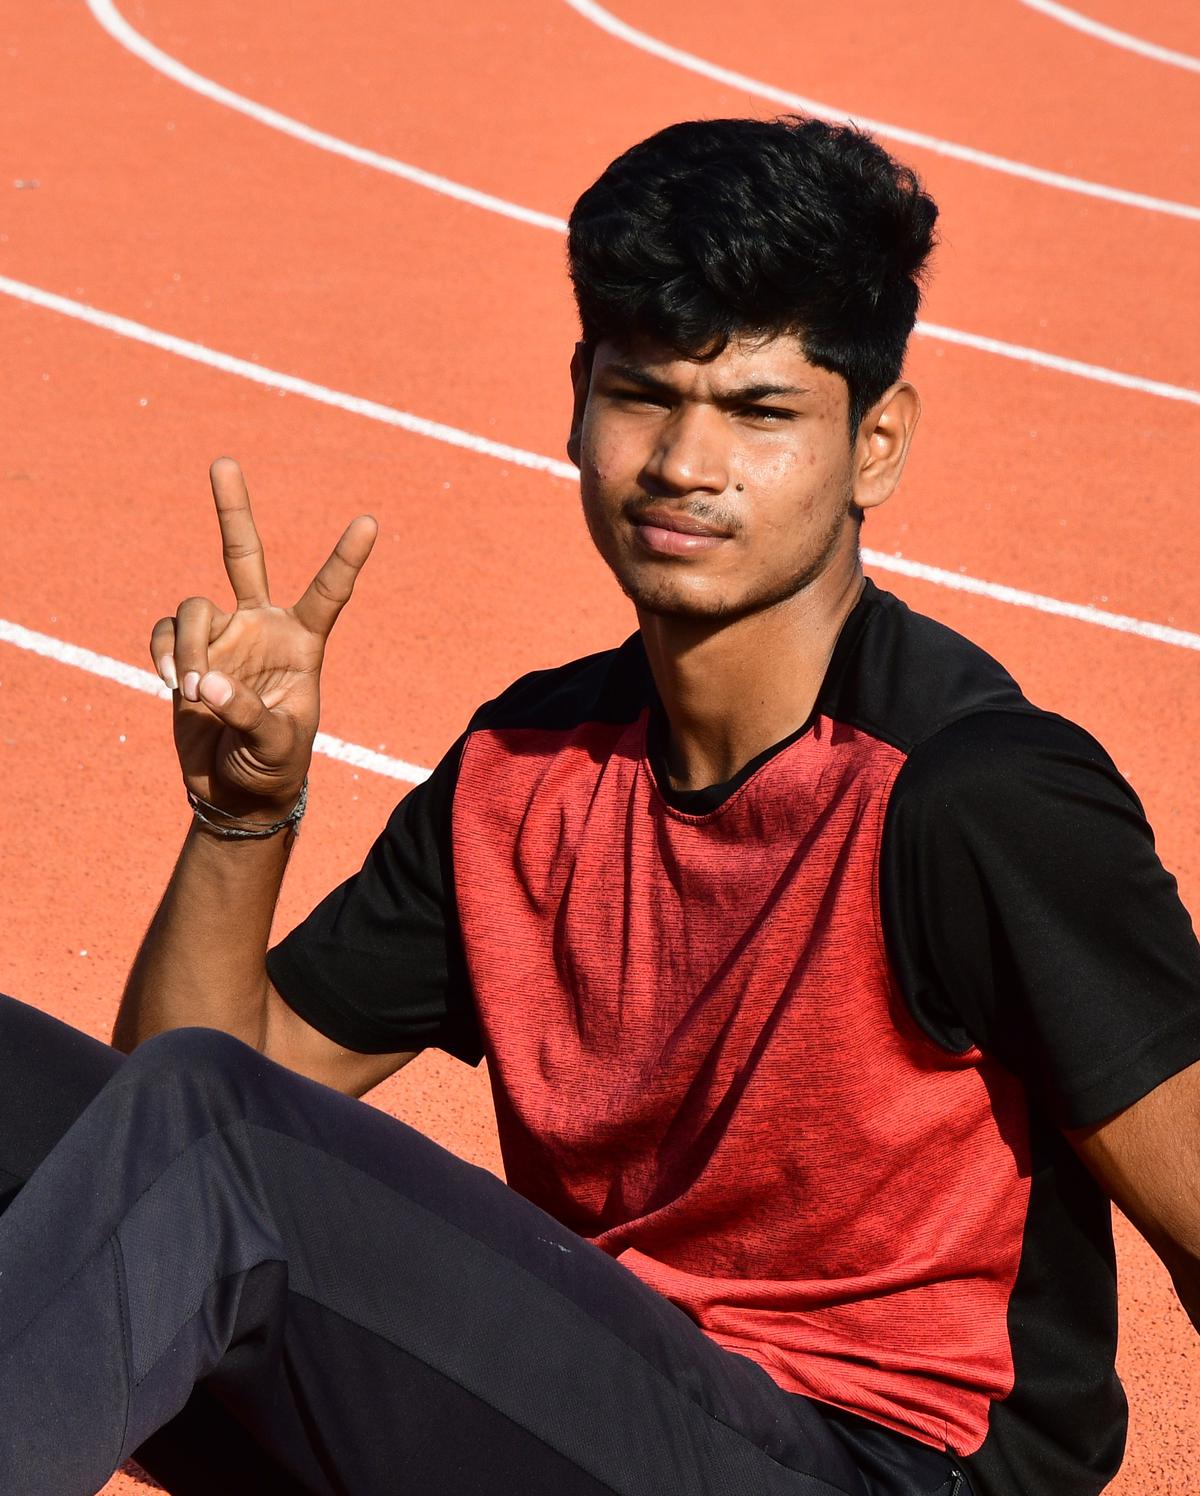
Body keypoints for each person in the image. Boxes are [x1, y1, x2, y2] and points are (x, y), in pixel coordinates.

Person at [1, 115, 1197, 1496]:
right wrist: (241, 820)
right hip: (589, 1420)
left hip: (869, 1463)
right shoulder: (529, 769)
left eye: (759, 414)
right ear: (577, 395)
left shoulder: (975, 795)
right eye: (645, 396)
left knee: (210, 1144)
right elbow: (169, 1099)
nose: (686, 465)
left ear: (875, 445)